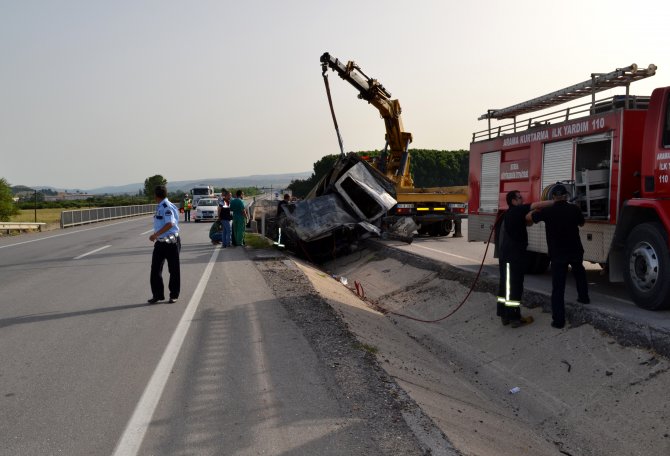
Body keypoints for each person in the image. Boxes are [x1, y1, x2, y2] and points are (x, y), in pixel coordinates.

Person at [530, 184, 590, 329]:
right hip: (574, 250)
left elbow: (532, 217)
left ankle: (558, 321)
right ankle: (584, 298)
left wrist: (544, 205)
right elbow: (581, 224)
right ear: (566, 196)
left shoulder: (548, 211)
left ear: (553, 197)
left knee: (558, 287)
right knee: (579, 273)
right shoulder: (574, 209)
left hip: (558, 253)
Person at [496, 190, 553, 327]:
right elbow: (537, 204)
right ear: (514, 201)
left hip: (507, 256)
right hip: (512, 257)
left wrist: (535, 214)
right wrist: (557, 201)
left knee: (506, 285)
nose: (522, 199)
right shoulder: (517, 210)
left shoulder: (511, 213)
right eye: (520, 197)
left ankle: (505, 315)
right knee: (514, 286)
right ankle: (514, 317)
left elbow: (527, 222)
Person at [148, 185, 181, 304]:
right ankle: (157, 295)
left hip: (171, 242)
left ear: (156, 196)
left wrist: (155, 235)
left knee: (173, 270)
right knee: (155, 269)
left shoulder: (166, 207)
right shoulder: (160, 206)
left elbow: (170, 224)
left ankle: (174, 295)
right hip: (160, 243)